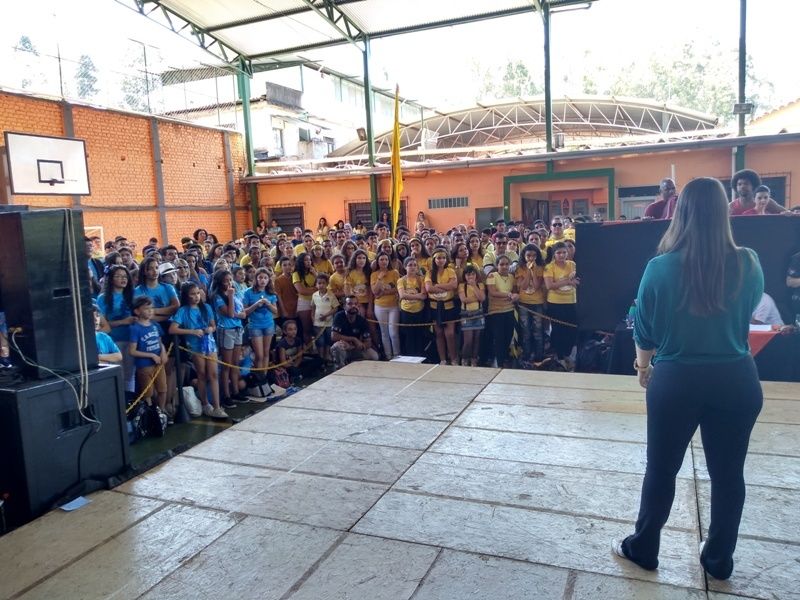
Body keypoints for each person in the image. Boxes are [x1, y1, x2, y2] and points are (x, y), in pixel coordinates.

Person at [613, 177, 764, 581]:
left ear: (680, 213)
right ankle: (718, 560)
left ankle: (644, 548)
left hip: (676, 381)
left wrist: (643, 368)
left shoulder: (660, 268)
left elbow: (644, 331)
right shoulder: (749, 262)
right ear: (724, 212)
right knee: (728, 475)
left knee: (661, 469)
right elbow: (747, 311)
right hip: (737, 380)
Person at [169, 282, 227, 419]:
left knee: (213, 374)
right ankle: (205, 403)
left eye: (197, 293)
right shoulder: (183, 311)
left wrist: (210, 329)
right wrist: (192, 331)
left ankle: (217, 406)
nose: (196, 297)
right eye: (192, 294)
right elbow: (172, 329)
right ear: (186, 296)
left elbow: (213, 325)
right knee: (202, 374)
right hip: (195, 346)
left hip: (209, 344)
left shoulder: (206, 307)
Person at [128, 296, 169, 417]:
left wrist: (163, 352)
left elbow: (160, 341)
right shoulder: (135, 328)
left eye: (151, 308)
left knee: (163, 389)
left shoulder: (155, 325)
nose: (150, 311)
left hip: (158, 363)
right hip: (144, 365)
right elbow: (132, 351)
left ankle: (162, 411)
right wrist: (151, 355)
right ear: (137, 311)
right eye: (146, 308)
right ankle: (150, 414)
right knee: (148, 393)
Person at [543, 241, 579, 369]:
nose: (562, 255)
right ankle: (560, 357)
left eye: (564, 252)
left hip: (571, 301)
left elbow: (577, 281)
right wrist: (568, 281)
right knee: (558, 331)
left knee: (572, 330)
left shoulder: (573, 264)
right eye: (559, 253)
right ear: (554, 254)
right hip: (555, 303)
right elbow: (549, 285)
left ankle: (568, 354)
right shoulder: (549, 267)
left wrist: (572, 282)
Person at [425, 247, 459, 365]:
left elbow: (453, 285)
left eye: (443, 258)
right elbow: (429, 288)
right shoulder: (429, 273)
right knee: (439, 334)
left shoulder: (450, 271)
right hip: (435, 306)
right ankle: (443, 359)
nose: (441, 260)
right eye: (439, 258)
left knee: (450, 334)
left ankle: (453, 358)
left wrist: (438, 286)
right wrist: (445, 286)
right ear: (434, 259)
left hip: (449, 305)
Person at [243, 268, 278, 374]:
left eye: (265, 278)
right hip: (255, 326)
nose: (263, 280)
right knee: (259, 355)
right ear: (256, 279)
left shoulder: (271, 293)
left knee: (266, 353)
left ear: (268, 280)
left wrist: (268, 304)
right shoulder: (248, 292)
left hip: (269, 325)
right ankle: (259, 377)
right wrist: (255, 305)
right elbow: (244, 312)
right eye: (260, 277)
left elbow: (275, 311)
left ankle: (264, 376)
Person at [330, 296, 379, 370]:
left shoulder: (362, 320)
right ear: (344, 306)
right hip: (343, 347)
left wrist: (354, 346)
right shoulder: (339, 316)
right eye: (350, 304)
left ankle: (356, 367)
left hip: (355, 348)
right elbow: (334, 336)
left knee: (374, 356)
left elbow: (368, 343)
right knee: (337, 347)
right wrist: (354, 339)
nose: (353, 306)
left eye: (356, 304)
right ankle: (340, 369)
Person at [370, 252, 401, 360]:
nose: (384, 262)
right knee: (384, 332)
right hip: (380, 306)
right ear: (377, 262)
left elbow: (398, 289)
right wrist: (379, 278)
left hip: (393, 306)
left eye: (386, 259)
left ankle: (397, 355)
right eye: (381, 260)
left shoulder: (394, 272)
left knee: (393, 332)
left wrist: (383, 293)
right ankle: (388, 356)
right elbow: (374, 291)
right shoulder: (374, 275)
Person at [458, 265, 486, 367]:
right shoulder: (462, 286)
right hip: (466, 315)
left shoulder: (480, 285)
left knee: (477, 339)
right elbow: (464, 299)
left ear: (476, 275)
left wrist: (474, 286)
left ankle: (474, 358)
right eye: (468, 274)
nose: (470, 276)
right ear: (464, 276)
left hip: (479, 313)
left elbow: (482, 298)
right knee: (468, 340)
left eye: (473, 274)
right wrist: (477, 297)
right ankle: (465, 358)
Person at [311, 273, 339, 364]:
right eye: (319, 283)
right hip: (317, 323)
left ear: (327, 284)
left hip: (328, 323)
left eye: (323, 283)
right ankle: (321, 357)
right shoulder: (314, 295)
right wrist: (312, 317)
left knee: (328, 340)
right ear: (316, 284)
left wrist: (326, 315)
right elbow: (313, 307)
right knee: (320, 341)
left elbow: (335, 308)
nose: (321, 285)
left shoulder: (331, 295)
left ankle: (327, 355)